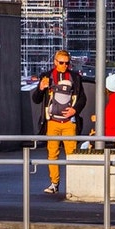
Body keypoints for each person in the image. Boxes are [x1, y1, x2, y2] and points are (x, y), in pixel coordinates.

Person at [32, 49, 86, 197]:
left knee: (72, 154)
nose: (64, 66)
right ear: (55, 62)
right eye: (61, 63)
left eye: (67, 63)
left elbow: (82, 98)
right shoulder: (47, 76)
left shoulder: (75, 77)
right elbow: (36, 99)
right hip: (52, 122)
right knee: (52, 154)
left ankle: (73, 185)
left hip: (69, 121)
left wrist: (74, 110)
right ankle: (54, 183)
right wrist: (41, 88)